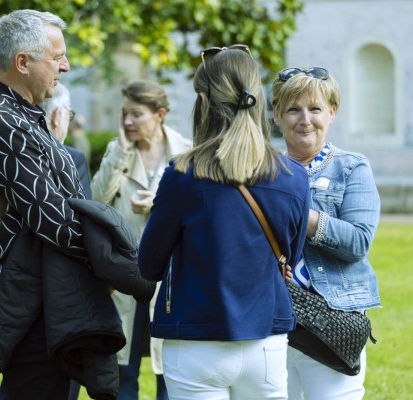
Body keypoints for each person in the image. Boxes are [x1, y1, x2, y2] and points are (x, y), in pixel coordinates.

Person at [137, 45, 311, 399]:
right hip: (266, 338)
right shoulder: (293, 177)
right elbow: (289, 259)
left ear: (204, 102)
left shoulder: (183, 174)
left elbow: (149, 264)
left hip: (196, 339)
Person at [0, 9, 83, 399]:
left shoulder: (21, 115)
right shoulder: (2, 122)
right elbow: (57, 220)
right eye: (57, 56)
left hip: (43, 293)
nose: (65, 66)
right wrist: (120, 259)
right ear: (22, 62)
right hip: (25, 300)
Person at [271, 67, 381, 399]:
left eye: (315, 109)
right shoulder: (262, 171)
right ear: (276, 116)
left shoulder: (351, 167)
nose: (305, 119)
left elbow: (358, 241)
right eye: (293, 109)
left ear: (331, 113)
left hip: (332, 323)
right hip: (273, 322)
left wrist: (297, 211)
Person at [91, 79, 192, 400]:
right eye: (124, 114)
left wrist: (160, 206)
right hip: (125, 280)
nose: (127, 122)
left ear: (159, 114)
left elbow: (198, 214)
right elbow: (96, 201)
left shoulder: (187, 152)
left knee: (171, 374)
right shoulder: (116, 150)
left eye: (136, 115)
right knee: (123, 372)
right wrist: (120, 153)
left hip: (172, 283)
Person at [40, 81, 91, 400]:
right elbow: (83, 226)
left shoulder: (10, 149)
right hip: (64, 298)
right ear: (59, 116)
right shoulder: (71, 159)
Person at [40, 82, 92, 199]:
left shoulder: (17, 148)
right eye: (69, 114)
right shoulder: (73, 157)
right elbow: (84, 209)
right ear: (57, 116)